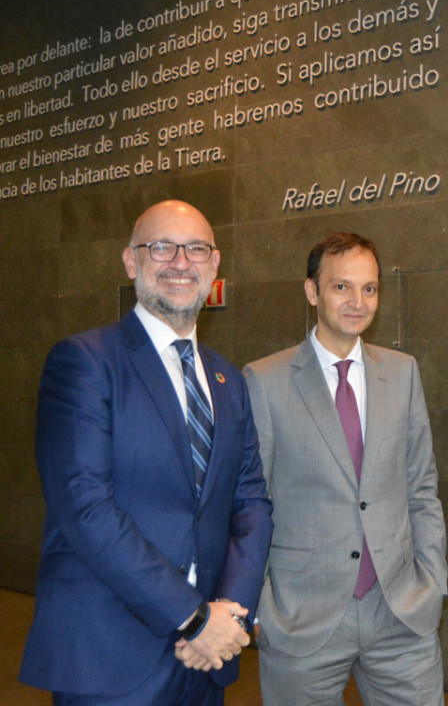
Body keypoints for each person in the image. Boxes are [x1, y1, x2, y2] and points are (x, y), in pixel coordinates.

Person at [19, 200, 274, 705]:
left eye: (196, 249)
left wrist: (229, 612)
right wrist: (194, 617)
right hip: (111, 657)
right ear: (132, 261)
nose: (181, 262)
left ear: (215, 265)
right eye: (161, 247)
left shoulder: (228, 379)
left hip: (206, 659)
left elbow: (252, 504)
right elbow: (85, 509)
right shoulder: (85, 363)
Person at [243, 232, 447, 706]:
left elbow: (421, 487)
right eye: (341, 287)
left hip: (400, 611)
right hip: (303, 619)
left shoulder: (402, 372)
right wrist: (263, 608)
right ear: (312, 291)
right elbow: (252, 503)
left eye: (370, 288)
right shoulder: (264, 381)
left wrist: (432, 581)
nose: (358, 302)